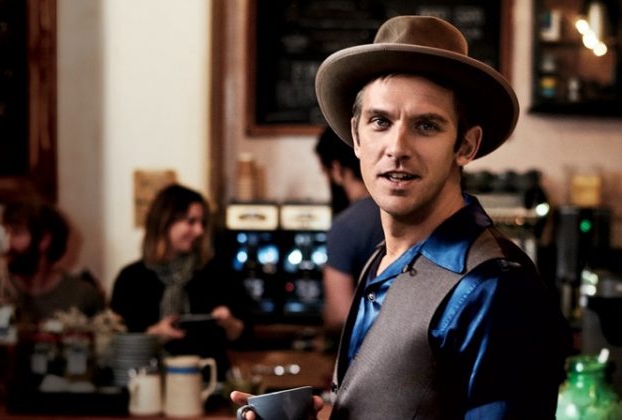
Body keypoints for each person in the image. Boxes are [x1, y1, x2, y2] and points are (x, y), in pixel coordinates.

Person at [234, 15, 572, 419]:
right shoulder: (382, 260)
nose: (397, 147)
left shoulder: (495, 288)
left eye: (426, 125)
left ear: (465, 145)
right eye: (380, 121)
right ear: (357, 136)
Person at [110, 184, 252, 381]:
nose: (199, 230)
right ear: (164, 222)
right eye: (191, 221)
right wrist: (154, 335)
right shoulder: (131, 278)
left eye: (202, 223)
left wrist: (230, 323)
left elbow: (246, 336)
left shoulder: (217, 272)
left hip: (208, 387)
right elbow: (115, 341)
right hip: (146, 387)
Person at [0, 199, 105, 327]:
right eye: (5, 232)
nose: (6, 243)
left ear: (44, 240)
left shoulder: (83, 296)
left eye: (16, 233)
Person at [315, 127, 385, 334]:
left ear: (336, 169)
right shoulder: (405, 213)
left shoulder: (345, 226)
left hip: (364, 351)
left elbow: (340, 317)